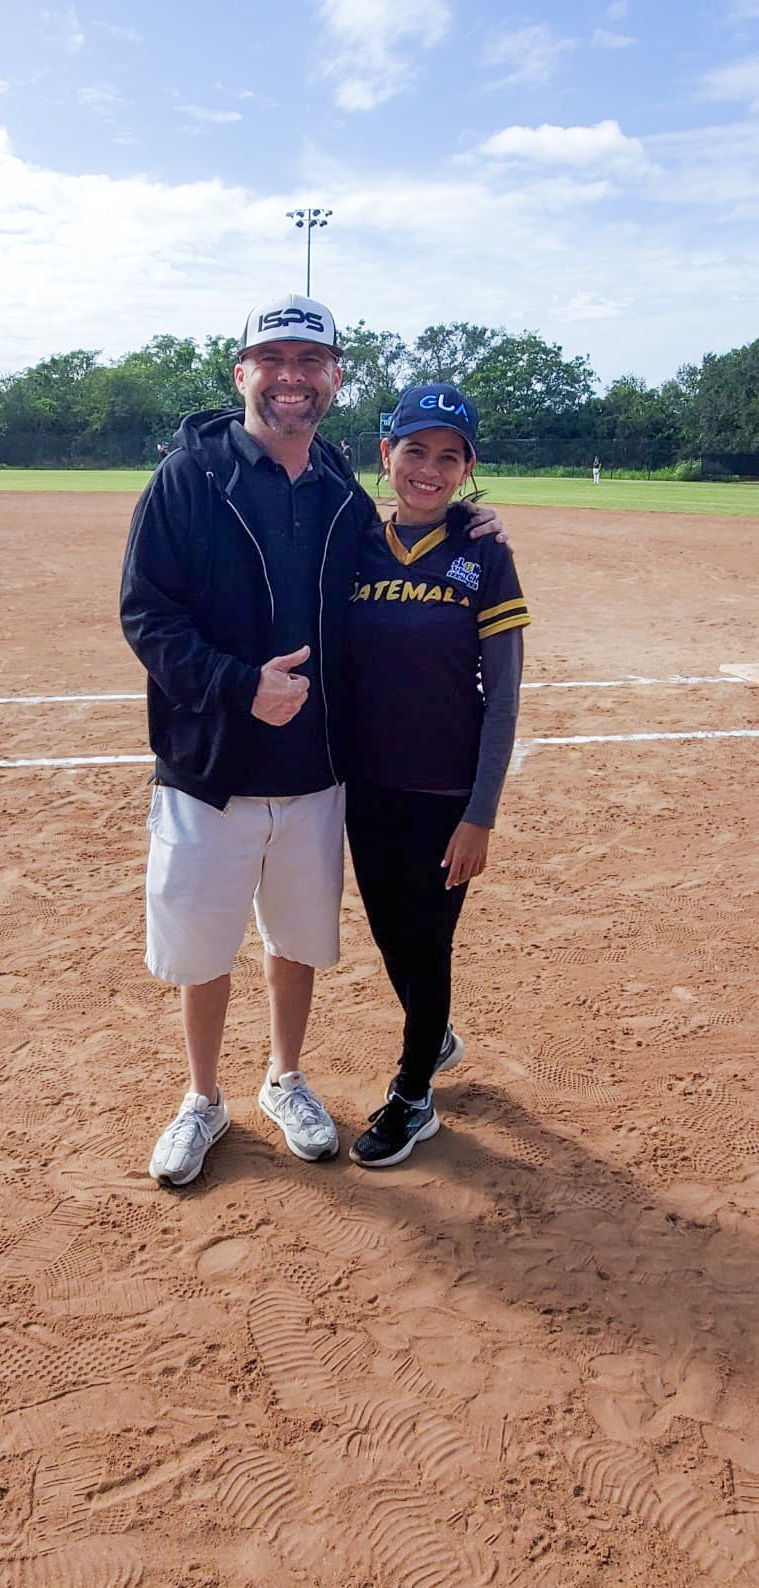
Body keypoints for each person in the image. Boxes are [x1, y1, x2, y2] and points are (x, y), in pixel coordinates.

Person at [119, 294, 506, 1188]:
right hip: (206, 767)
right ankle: (202, 1097)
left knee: (295, 942)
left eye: (311, 361)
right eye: (273, 358)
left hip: (316, 772)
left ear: (333, 377)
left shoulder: (338, 487)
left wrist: (475, 524)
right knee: (204, 947)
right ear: (241, 372)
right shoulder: (187, 476)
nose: (291, 377)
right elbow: (146, 613)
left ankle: (285, 1078)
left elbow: (409, 541)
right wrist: (237, 686)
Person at [344, 383, 531, 1167]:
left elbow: (504, 696)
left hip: (446, 794)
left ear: (466, 468)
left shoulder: (485, 555)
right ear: (385, 454)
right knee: (391, 936)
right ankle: (437, 1031)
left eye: (447, 456)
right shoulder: (352, 543)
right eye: (413, 450)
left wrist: (479, 813)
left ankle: (413, 1092)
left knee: (427, 946)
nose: (428, 468)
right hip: (367, 787)